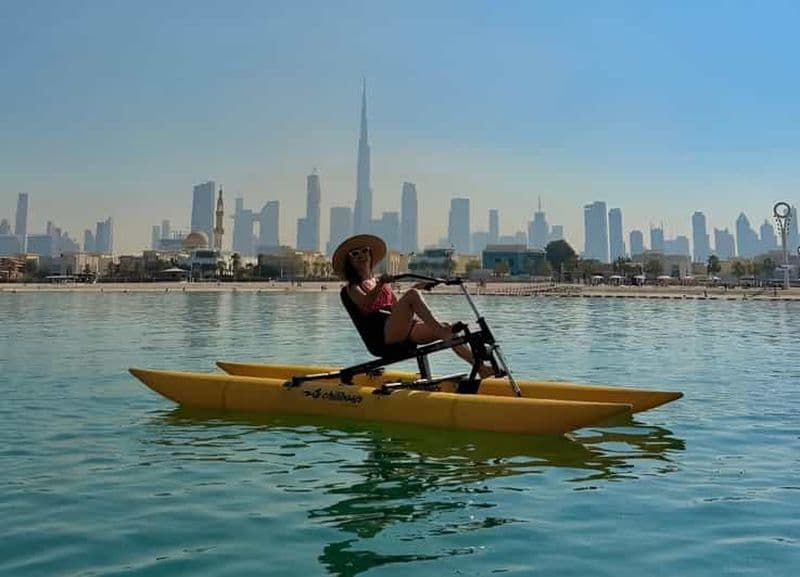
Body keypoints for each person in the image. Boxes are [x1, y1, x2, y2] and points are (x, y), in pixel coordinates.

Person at [332, 234, 493, 376]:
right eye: (355, 253)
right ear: (349, 261)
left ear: (370, 254)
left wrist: (419, 286)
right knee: (417, 300)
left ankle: (480, 368)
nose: (361, 255)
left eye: (364, 250)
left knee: (448, 330)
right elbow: (366, 303)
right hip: (382, 338)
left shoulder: (378, 281)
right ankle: (441, 329)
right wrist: (382, 284)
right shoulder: (351, 288)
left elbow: (398, 306)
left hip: (400, 331)